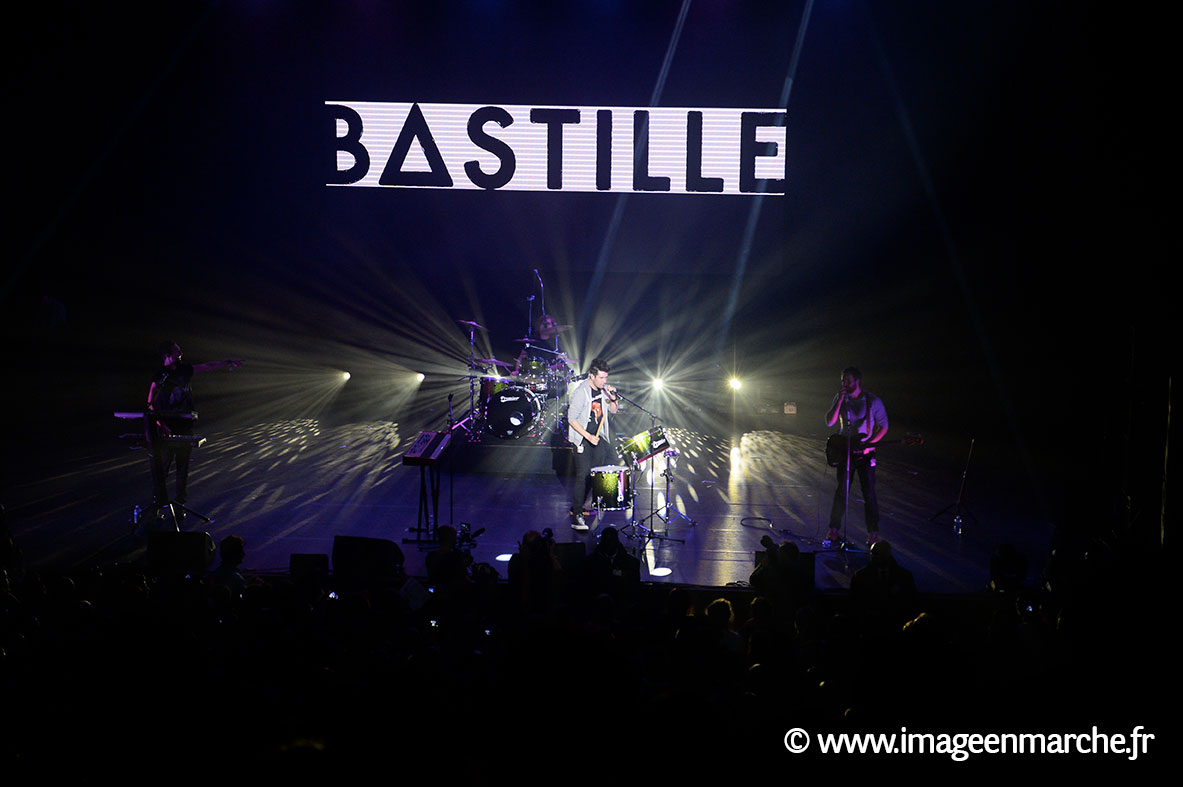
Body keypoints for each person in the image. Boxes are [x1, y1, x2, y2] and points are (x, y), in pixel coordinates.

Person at [146, 340, 243, 524]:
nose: (180, 352)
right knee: (162, 469)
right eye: (177, 350)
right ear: (168, 355)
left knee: (182, 469)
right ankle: (157, 505)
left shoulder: (184, 370)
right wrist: (160, 424)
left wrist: (228, 362)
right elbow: (150, 404)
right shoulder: (160, 376)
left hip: (185, 426)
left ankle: (180, 505)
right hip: (167, 429)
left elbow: (207, 366)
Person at [824, 366, 888, 546]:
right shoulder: (840, 398)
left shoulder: (872, 401)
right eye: (843, 380)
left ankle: (873, 533)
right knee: (841, 492)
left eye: (848, 381)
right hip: (845, 450)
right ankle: (833, 529)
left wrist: (870, 445)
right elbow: (830, 422)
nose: (845, 384)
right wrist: (839, 402)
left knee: (869, 493)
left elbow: (883, 426)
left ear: (857, 381)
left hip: (865, 453)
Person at [567, 357, 618, 530]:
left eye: (606, 378)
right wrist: (588, 436)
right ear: (592, 376)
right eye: (602, 378)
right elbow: (571, 418)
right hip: (583, 439)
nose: (605, 381)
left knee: (594, 474)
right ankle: (577, 516)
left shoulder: (604, 391)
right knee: (582, 475)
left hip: (598, 438)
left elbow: (613, 411)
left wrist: (613, 398)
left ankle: (582, 506)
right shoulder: (582, 391)